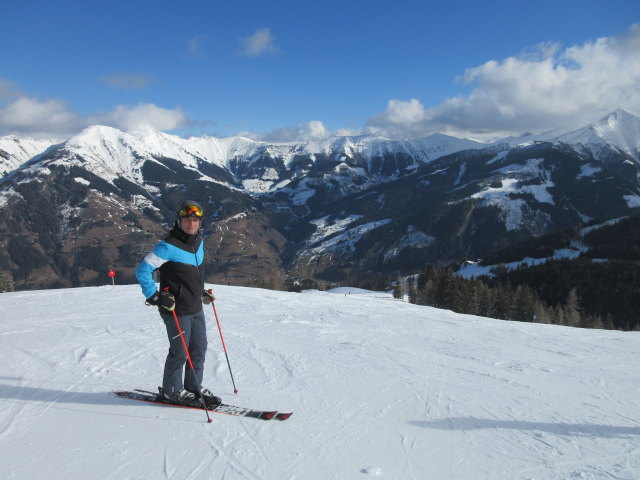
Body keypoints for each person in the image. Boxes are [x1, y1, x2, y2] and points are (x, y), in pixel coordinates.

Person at [135, 200, 220, 407]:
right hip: (176, 310)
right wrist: (154, 296)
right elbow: (142, 270)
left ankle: (193, 388)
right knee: (180, 352)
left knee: (199, 349)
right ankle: (171, 391)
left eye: (195, 220)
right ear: (179, 221)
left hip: (195, 307)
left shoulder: (198, 243)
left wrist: (201, 292)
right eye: (187, 220)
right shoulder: (167, 246)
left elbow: (192, 273)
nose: (191, 224)